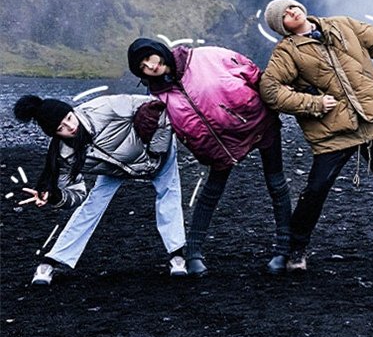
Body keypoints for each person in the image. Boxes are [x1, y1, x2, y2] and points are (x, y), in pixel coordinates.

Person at [259, 0, 373, 273]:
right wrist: (314, 104)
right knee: (316, 191)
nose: (291, 12)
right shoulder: (287, 52)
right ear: (281, 27)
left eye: (291, 6)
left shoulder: (342, 25)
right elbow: (270, 89)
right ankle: (296, 249)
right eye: (283, 14)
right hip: (333, 133)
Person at [127, 39, 291, 277]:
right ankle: (193, 254)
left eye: (149, 58)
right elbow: (153, 133)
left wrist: (280, 103)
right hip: (220, 146)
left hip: (260, 124)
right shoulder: (157, 97)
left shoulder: (206, 56)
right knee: (211, 193)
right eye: (142, 67)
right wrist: (144, 121)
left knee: (276, 184)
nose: (150, 66)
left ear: (159, 50)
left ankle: (284, 250)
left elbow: (254, 74)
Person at [14, 94, 186, 285]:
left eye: (69, 118)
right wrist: (54, 196)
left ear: (72, 111)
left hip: (158, 155)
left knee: (169, 193)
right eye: (61, 128)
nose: (70, 127)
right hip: (117, 167)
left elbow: (159, 108)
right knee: (92, 205)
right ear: (55, 134)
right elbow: (77, 193)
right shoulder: (63, 155)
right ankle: (52, 260)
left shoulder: (105, 107)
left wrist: (156, 150)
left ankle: (177, 255)